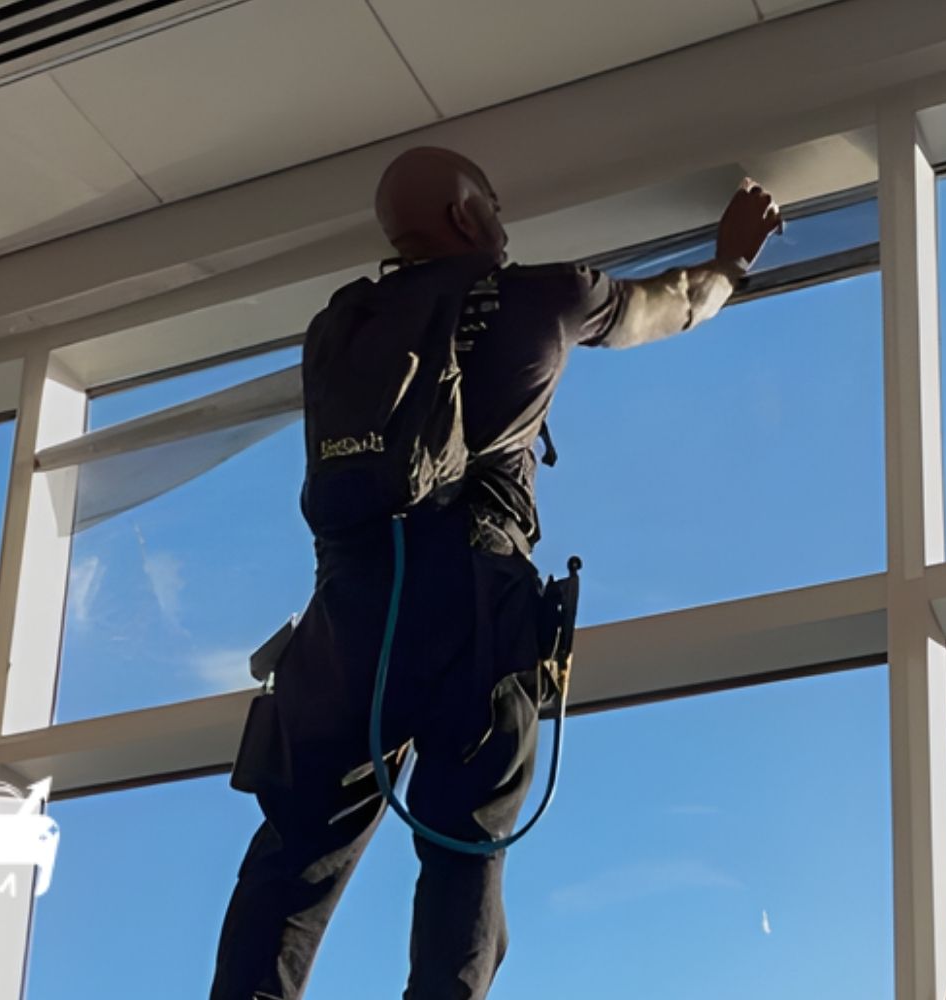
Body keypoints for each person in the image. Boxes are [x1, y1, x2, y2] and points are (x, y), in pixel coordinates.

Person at [210, 146, 782, 1000]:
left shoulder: (339, 329)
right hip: (472, 598)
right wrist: (732, 257)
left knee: (294, 859)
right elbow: (676, 304)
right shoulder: (541, 297)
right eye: (495, 207)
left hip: (348, 611)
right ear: (472, 218)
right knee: (464, 849)